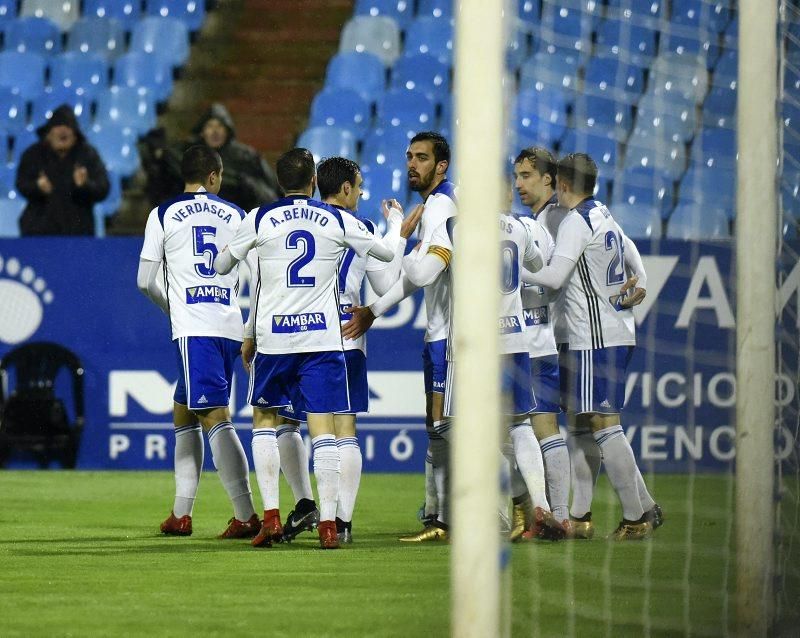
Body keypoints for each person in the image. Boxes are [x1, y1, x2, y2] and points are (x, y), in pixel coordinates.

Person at [213, 148, 408, 549]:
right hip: (323, 340)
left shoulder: (259, 217)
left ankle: (269, 518)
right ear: (314, 182)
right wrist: (396, 223)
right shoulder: (337, 219)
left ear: (278, 181)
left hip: (275, 338)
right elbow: (388, 255)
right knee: (326, 431)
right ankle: (331, 526)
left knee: (267, 421)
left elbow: (221, 266)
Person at [273, 157, 421, 544]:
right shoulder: (359, 226)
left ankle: (306, 503)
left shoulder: (296, 221)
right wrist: (397, 230)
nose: (360, 193)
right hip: (346, 333)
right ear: (344, 190)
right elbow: (388, 278)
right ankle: (340, 521)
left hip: (297, 335)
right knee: (344, 429)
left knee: (288, 425)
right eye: (358, 186)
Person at [521, 153, 657, 540]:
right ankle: (582, 514)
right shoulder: (602, 214)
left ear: (560, 184)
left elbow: (554, 276)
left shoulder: (575, 222)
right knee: (583, 424)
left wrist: (510, 271)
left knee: (602, 423)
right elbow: (628, 247)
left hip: (593, 336)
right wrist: (641, 274)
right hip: (611, 330)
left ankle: (637, 514)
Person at [136, 144, 260, 539]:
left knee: (214, 417)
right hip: (227, 324)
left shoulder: (163, 213)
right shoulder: (237, 215)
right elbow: (255, 277)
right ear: (213, 176)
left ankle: (246, 515)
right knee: (183, 411)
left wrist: (171, 307)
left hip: (195, 328)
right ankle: (180, 514)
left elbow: (143, 280)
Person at [343, 131, 457, 542]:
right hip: (440, 333)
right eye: (409, 156)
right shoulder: (433, 205)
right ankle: (437, 518)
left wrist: (404, 246)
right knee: (436, 426)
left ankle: (497, 512)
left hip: (454, 337)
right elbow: (409, 279)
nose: (412, 164)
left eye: (422, 158)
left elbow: (421, 273)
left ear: (441, 166)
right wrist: (374, 310)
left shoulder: (442, 204)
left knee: (449, 427)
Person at [140, 103, 280, 211]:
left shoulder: (246, 156)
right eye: (210, 126)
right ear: (202, 131)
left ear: (228, 130)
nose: (215, 131)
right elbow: (162, 186)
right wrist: (156, 158)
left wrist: (248, 186)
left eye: (220, 126)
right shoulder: (185, 154)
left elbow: (270, 192)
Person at [15, 104, 109, 236]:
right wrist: (37, 187)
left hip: (78, 233)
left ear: (75, 135)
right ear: (48, 134)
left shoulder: (87, 154)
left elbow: (103, 188)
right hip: (38, 233)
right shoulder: (33, 154)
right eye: (58, 127)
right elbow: (21, 184)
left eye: (68, 127)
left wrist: (85, 185)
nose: (63, 131)